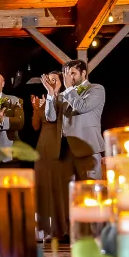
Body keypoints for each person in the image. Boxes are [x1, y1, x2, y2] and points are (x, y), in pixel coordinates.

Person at [43, 59, 106, 180]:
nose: (69, 77)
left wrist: (69, 89)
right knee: (70, 194)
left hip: (87, 149)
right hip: (65, 151)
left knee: (90, 190)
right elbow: (50, 117)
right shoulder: (63, 95)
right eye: (66, 74)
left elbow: (82, 107)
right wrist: (50, 94)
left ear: (83, 73)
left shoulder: (96, 89)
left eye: (72, 73)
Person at [31, 72, 73, 239]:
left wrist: (53, 95)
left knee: (61, 185)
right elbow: (36, 125)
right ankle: (46, 229)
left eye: (54, 79)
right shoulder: (44, 102)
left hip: (62, 146)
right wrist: (36, 109)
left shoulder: (66, 97)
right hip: (44, 146)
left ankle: (65, 227)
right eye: (49, 80)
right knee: (44, 184)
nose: (51, 82)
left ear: (61, 82)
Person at [0, 72, 25, 167]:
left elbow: (20, 122)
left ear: (3, 83)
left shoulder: (15, 100)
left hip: (8, 154)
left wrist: (3, 120)